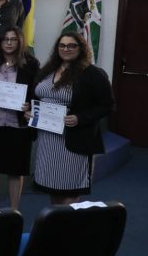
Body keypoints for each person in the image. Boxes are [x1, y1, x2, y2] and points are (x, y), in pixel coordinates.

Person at [29, 32, 114, 205]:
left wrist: (80, 118)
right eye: (62, 45)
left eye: (71, 45)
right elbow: (38, 96)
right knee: (53, 187)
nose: (65, 49)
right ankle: (56, 226)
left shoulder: (92, 74)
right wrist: (30, 110)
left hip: (74, 141)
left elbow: (108, 105)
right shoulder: (48, 70)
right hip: (47, 140)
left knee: (70, 189)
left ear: (81, 48)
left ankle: (67, 229)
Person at [0, 27, 39, 209]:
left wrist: (30, 104)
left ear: (20, 41)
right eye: (5, 39)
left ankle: (14, 211)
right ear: (0, 42)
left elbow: (36, 91)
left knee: (16, 170)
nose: (9, 42)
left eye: (13, 39)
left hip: (18, 124)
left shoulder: (31, 64)